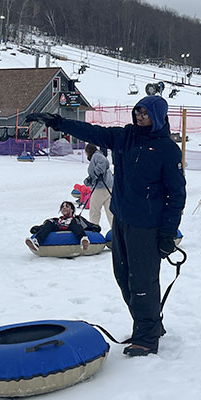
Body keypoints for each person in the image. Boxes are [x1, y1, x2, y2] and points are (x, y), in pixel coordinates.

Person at [26, 95, 186, 357]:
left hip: (147, 227)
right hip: (122, 220)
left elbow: (177, 194)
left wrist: (168, 231)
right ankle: (150, 325)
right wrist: (58, 122)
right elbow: (91, 131)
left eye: (145, 114)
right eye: (137, 112)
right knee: (123, 277)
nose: (139, 118)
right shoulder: (125, 137)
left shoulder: (166, 149)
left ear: (158, 117)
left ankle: (146, 339)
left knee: (142, 282)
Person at [25, 201, 101, 252]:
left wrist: (94, 227)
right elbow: (46, 227)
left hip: (72, 226)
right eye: (62, 207)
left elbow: (88, 225)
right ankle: (36, 242)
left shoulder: (77, 219)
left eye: (67, 206)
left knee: (74, 222)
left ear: (72, 209)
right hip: (59, 227)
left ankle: (83, 240)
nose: (64, 208)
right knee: (49, 222)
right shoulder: (57, 220)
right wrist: (37, 228)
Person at [84, 143, 113, 228]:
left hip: (100, 188)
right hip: (109, 186)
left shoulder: (96, 156)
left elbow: (103, 162)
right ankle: (115, 231)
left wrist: (97, 174)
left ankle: (94, 229)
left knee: (94, 212)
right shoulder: (98, 155)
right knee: (110, 212)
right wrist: (89, 180)